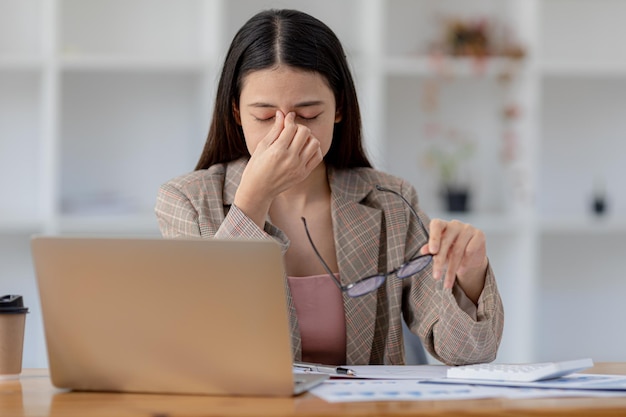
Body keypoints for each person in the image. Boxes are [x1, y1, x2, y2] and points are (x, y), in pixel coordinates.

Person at [155, 9, 504, 366]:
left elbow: (468, 354)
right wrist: (252, 201)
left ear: (338, 108)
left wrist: (470, 274)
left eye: (308, 115)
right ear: (235, 112)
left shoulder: (390, 203)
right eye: (263, 116)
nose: (286, 131)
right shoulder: (188, 202)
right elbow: (202, 344)